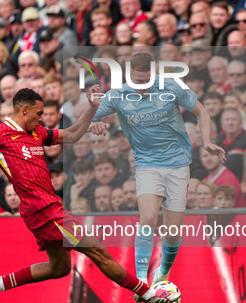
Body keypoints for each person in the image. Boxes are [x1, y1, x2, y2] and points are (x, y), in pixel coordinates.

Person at [0, 86, 179, 303]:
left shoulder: (36, 132)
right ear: (25, 110)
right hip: (42, 210)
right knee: (97, 250)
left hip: (49, 207)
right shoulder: (0, 134)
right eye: (39, 114)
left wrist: (92, 109)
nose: (43, 119)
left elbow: (74, 134)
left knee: (60, 268)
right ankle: (149, 294)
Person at [89, 52, 225, 287]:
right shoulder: (117, 95)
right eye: (137, 81)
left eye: (146, 81)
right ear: (129, 75)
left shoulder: (170, 87)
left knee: (171, 231)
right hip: (147, 164)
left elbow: (201, 111)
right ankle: (141, 279)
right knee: (149, 218)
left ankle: (162, 271)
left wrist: (207, 141)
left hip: (178, 164)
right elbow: (87, 117)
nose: (142, 86)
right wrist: (94, 121)